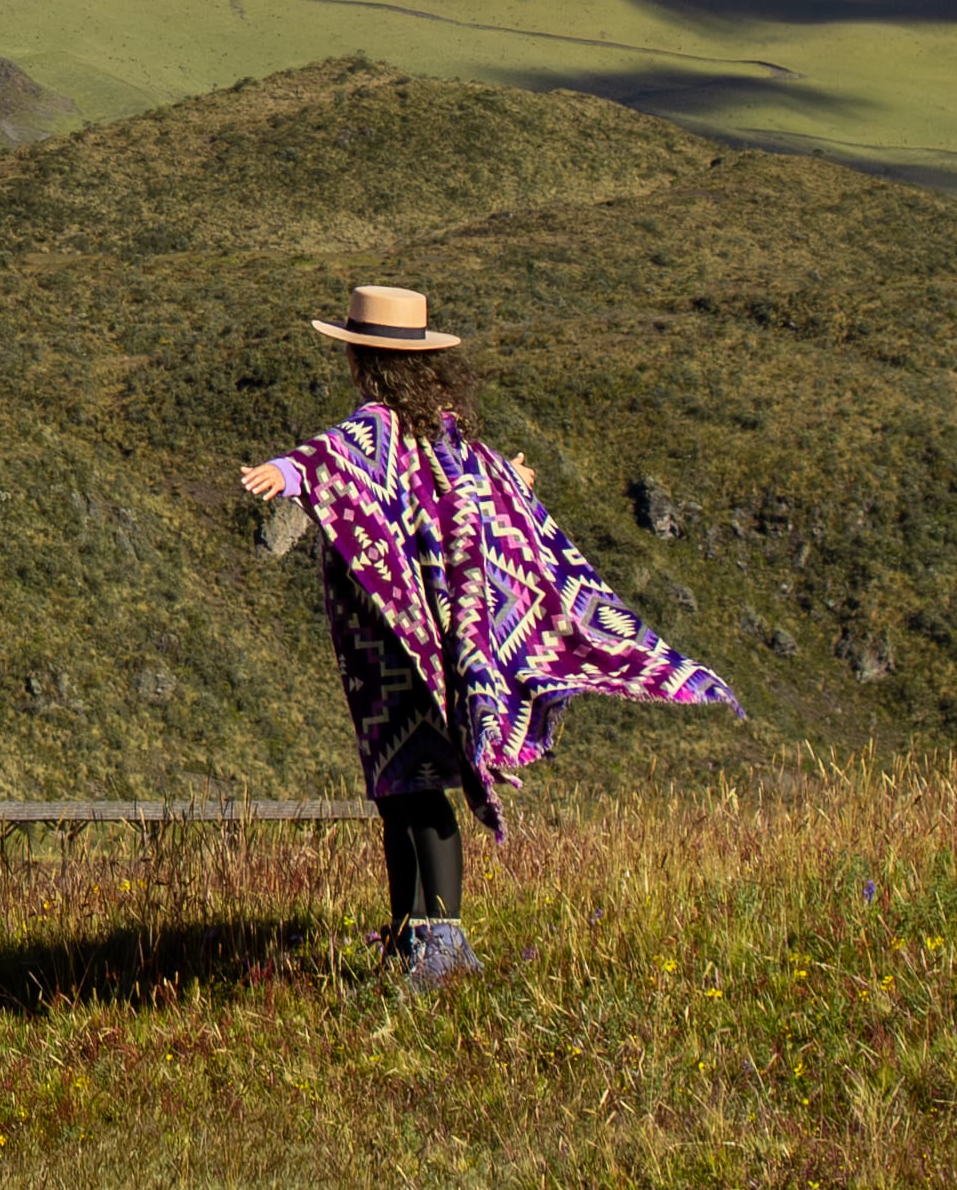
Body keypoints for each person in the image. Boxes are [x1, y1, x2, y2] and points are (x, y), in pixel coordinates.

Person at [240, 284, 737, 985]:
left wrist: (286, 472)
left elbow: (332, 458)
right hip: (432, 641)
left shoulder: (380, 427)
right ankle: (415, 936)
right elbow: (478, 479)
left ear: (362, 360)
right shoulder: (442, 432)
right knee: (408, 787)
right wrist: (512, 473)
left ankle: (439, 943)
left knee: (408, 788)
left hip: (389, 646)